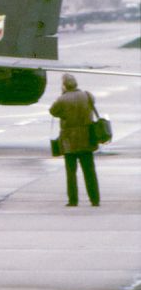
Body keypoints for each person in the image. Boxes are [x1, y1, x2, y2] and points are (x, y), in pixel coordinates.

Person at [49, 73, 100, 207]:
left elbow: (53, 111)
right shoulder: (87, 95)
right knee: (89, 171)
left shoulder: (62, 99)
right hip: (86, 138)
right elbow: (92, 103)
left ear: (64, 85)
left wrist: (63, 111)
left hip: (69, 140)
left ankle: (73, 200)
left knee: (71, 173)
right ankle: (95, 199)